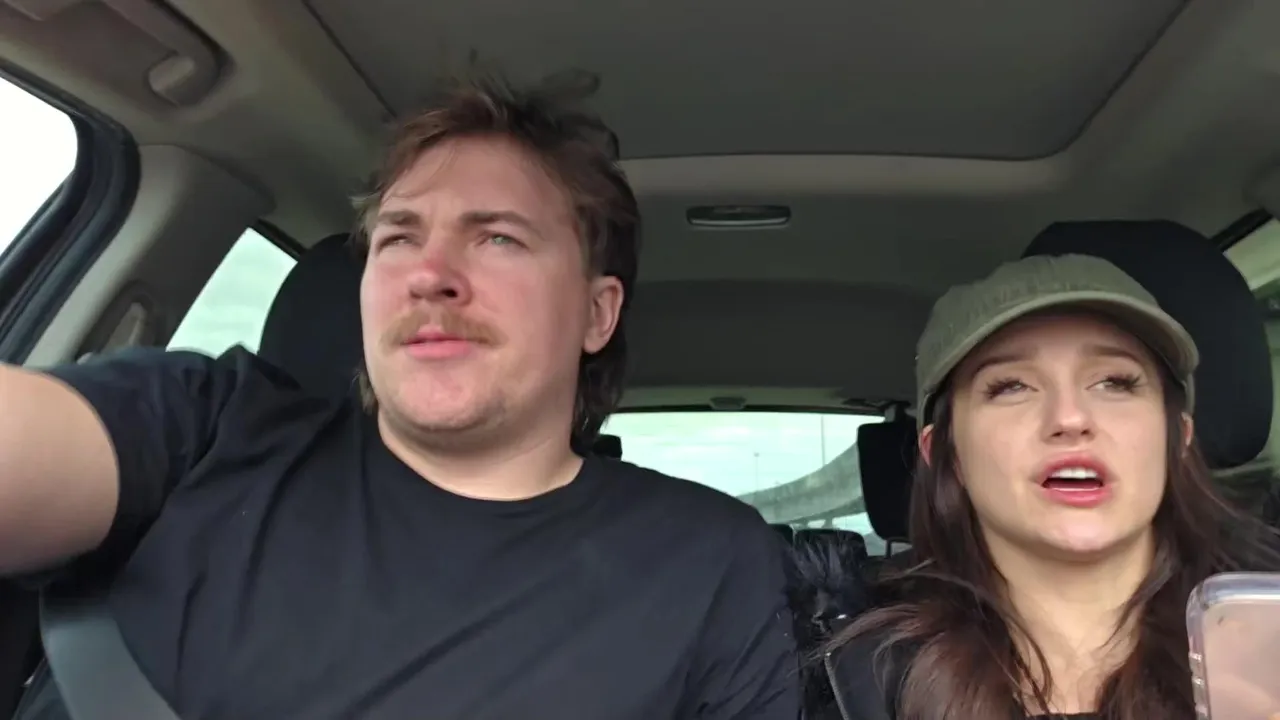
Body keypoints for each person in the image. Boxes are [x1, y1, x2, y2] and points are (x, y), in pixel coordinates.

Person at [0, 74, 799, 719]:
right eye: (399, 236)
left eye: (498, 237)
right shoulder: (205, 427)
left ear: (597, 313)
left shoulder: (711, 561)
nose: (429, 274)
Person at [821, 254, 1280, 720]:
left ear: (1178, 436)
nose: (1070, 418)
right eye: (1011, 386)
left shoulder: (1266, 640)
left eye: (1115, 382)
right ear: (947, 453)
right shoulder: (860, 681)